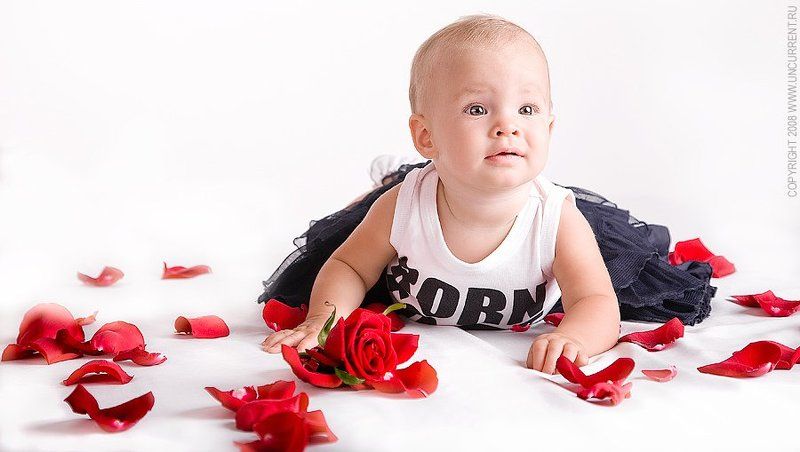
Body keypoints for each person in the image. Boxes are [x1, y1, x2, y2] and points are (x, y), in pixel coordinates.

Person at [258, 14, 716, 374]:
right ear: (426, 136)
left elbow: (596, 302)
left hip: (543, 217)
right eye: (477, 108)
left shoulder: (556, 219)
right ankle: (382, 178)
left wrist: (574, 338)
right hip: (420, 192)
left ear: (550, 127)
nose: (507, 124)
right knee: (360, 217)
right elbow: (349, 265)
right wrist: (324, 319)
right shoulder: (404, 206)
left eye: (527, 108)